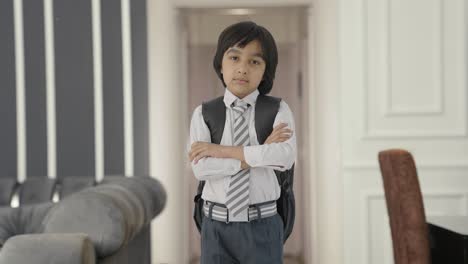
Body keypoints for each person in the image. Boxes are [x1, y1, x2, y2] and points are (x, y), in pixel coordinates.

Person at [188, 21, 297, 264]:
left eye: (254, 61)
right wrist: (258, 154)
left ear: (266, 70)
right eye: (234, 58)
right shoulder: (204, 113)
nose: (242, 68)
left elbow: (284, 157)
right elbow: (201, 168)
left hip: (263, 225)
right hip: (215, 227)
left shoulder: (278, 109)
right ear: (220, 63)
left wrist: (220, 151)